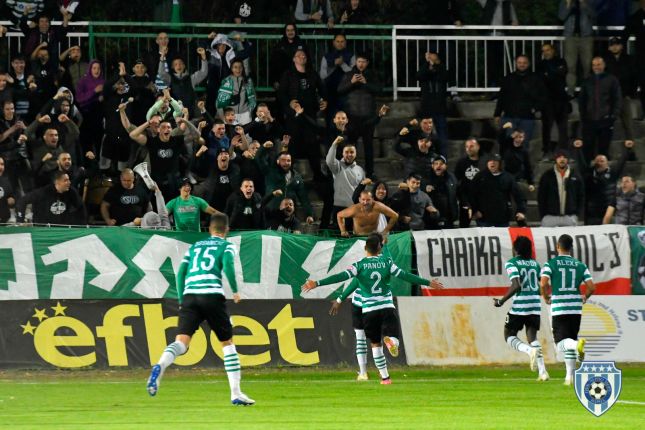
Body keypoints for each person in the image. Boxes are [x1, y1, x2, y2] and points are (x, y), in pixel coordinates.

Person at [301, 233, 442, 384]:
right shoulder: (387, 263)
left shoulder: (359, 265)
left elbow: (341, 276)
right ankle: (392, 342)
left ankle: (384, 378)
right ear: (380, 248)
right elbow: (405, 275)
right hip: (386, 307)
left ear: (365, 248)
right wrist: (428, 282)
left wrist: (317, 283)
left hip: (368, 310)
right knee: (393, 336)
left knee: (375, 343)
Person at [147, 213, 255, 406]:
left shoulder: (195, 247)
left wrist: (182, 300)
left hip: (190, 297)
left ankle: (160, 365)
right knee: (227, 343)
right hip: (211, 295)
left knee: (181, 343)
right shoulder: (226, 245)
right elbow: (228, 265)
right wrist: (235, 290)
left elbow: (181, 273)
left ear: (210, 229)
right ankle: (236, 393)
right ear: (226, 229)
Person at [540, 233, 595, 385]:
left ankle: (577, 345)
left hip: (560, 307)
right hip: (575, 308)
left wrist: (546, 297)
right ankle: (569, 377)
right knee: (570, 339)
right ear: (571, 248)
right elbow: (591, 287)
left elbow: (543, 283)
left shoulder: (551, 264)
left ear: (558, 246)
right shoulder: (580, 265)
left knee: (561, 344)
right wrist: (584, 297)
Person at [493, 236, 548, 381]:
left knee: (508, 335)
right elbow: (543, 283)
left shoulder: (512, 263)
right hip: (535, 304)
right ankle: (543, 372)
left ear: (515, 249)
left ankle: (529, 351)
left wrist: (501, 301)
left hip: (520, 305)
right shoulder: (535, 264)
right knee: (532, 337)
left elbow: (516, 285)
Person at [577, 56, 622, 161]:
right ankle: (589, 170)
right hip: (589, 120)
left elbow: (617, 98)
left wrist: (613, 115)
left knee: (603, 151)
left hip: (605, 120)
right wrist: (583, 116)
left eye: (599, 64)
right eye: (594, 65)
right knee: (588, 150)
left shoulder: (612, 80)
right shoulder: (587, 81)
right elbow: (582, 100)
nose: (596, 67)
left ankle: (603, 171)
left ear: (604, 65)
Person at [471, 154, 526, 227]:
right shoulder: (480, 177)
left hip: (502, 219)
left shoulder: (508, 177)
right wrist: (475, 210)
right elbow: (471, 194)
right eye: (490, 161)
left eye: (495, 161)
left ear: (500, 163)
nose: (492, 162)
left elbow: (519, 196)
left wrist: (521, 211)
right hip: (484, 219)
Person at [535, 43, 569, 159]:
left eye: (548, 50)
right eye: (543, 51)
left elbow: (561, 73)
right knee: (547, 127)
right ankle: (547, 151)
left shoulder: (561, 61)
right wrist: (553, 73)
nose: (546, 52)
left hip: (561, 99)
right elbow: (541, 79)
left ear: (553, 50)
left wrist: (549, 74)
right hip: (547, 100)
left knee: (563, 127)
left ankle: (564, 152)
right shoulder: (540, 64)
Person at [15, 170, 86, 225]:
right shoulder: (43, 192)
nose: (69, 182)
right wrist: (20, 221)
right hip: (43, 228)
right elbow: (22, 201)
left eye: (69, 180)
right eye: (65, 180)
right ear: (57, 182)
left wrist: (83, 224)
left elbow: (81, 207)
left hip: (62, 227)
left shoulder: (71, 191)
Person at [537, 149, 585, 227]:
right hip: (550, 217)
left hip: (569, 217)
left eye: (564, 157)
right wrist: (543, 215)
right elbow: (541, 196)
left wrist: (577, 214)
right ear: (556, 159)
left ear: (568, 159)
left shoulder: (575, 175)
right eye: (559, 157)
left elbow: (581, 196)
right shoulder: (547, 176)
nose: (562, 159)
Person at [558, 0, 596, 98]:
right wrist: (568, 4)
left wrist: (584, 4)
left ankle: (587, 91)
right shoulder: (565, 1)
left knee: (588, 66)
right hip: (570, 37)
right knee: (570, 67)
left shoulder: (588, 2)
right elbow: (561, 17)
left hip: (586, 37)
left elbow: (593, 15)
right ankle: (571, 92)